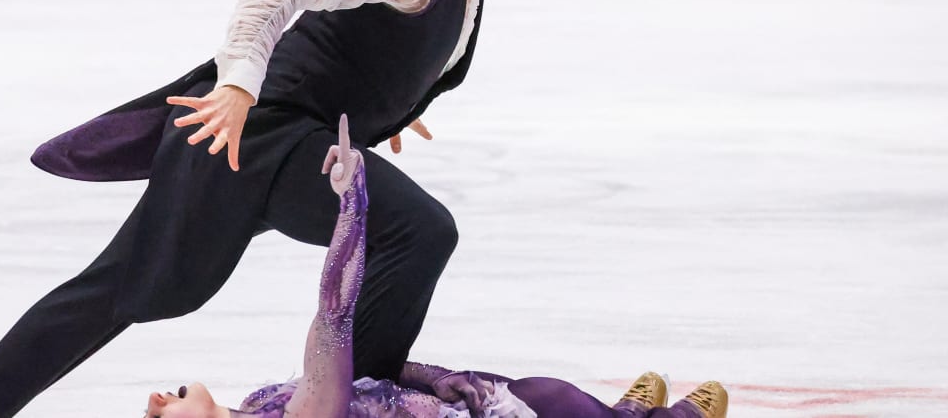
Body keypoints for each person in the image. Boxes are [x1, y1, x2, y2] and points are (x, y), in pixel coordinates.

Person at [0, 0, 547, 417]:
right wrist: (237, 87)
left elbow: (372, 36)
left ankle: (355, 398)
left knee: (113, 291)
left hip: (284, 140)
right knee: (414, 229)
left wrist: (393, 96)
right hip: (251, 137)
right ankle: (356, 403)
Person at [144, 116, 731, 418]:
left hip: (464, 404)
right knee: (553, 401)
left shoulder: (256, 406)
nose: (153, 403)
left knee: (544, 395)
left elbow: (380, 381)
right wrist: (352, 204)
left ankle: (625, 414)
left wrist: (440, 381)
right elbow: (335, 310)